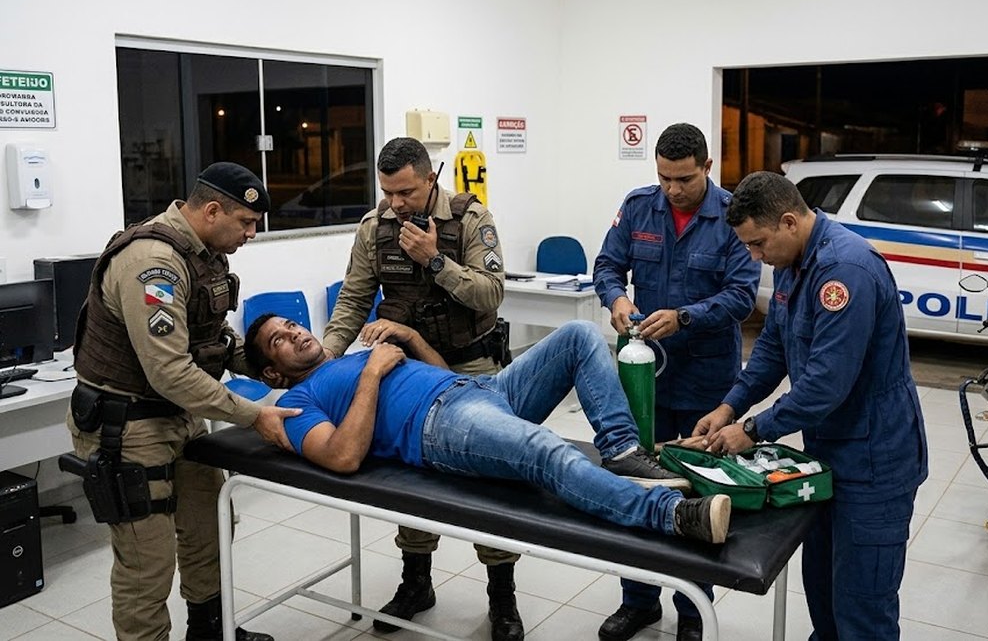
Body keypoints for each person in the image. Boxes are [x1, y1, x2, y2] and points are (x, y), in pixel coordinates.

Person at [65, 163, 300, 641]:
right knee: (146, 564)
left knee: (209, 528)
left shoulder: (206, 254)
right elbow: (168, 369)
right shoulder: (151, 264)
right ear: (212, 210)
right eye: (247, 223)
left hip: (180, 415)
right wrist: (254, 414)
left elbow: (208, 341)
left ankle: (210, 633)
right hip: (127, 427)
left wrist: (263, 364)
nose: (252, 234)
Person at [244, 314, 730, 544]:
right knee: (547, 449)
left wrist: (411, 340)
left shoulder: (352, 353)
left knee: (579, 334)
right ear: (272, 372)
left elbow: (438, 371)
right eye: (279, 341)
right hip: (440, 426)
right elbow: (341, 456)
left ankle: (622, 449)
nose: (294, 332)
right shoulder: (296, 401)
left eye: (290, 324)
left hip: (481, 388)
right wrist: (372, 373)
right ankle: (669, 515)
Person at [694, 171, 928, 639]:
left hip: (874, 459)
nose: (755, 257)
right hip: (826, 453)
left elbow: (826, 383)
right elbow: (773, 349)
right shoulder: (791, 262)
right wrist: (729, 406)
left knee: (862, 606)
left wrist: (754, 429)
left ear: (788, 222)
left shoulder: (845, 271)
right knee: (822, 590)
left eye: (758, 244)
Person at [321, 136, 520, 638]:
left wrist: (435, 260)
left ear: (430, 179)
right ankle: (416, 582)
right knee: (409, 480)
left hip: (471, 367)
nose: (395, 203)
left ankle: (502, 596)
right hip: (407, 372)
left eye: (405, 192)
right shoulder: (375, 227)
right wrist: (327, 354)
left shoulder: (472, 219)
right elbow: (354, 296)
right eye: (388, 192)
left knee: (487, 483)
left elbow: (491, 291)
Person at [592, 122, 761, 641]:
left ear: (707, 168)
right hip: (644, 377)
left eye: (683, 179)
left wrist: (685, 316)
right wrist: (616, 299)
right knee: (637, 482)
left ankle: (693, 611)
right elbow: (606, 265)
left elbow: (741, 296)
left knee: (697, 491)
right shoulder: (640, 205)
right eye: (664, 177)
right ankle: (638, 600)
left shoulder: (732, 216)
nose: (672, 189)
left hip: (706, 379)